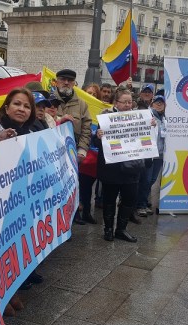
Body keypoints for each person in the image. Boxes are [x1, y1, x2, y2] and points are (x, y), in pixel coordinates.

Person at [95, 89, 145, 242]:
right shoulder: (105, 117)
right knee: (109, 199)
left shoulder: (139, 118)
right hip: (112, 168)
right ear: (116, 103)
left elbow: (146, 137)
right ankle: (108, 229)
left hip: (132, 167)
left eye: (130, 102)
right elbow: (97, 143)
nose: (128, 105)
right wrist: (98, 136)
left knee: (129, 199)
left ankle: (121, 229)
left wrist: (151, 126)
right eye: (124, 102)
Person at [53, 68, 92, 224]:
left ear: (75, 83)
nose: (66, 83)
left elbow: (86, 129)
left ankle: (73, 215)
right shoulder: (48, 100)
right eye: (63, 79)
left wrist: (82, 150)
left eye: (70, 80)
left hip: (73, 152)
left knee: (72, 186)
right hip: (52, 154)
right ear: (56, 81)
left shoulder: (82, 104)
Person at [136, 95, 167, 216]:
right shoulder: (147, 115)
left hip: (160, 155)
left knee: (152, 180)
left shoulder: (165, 118)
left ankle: (143, 202)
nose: (159, 104)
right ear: (152, 104)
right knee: (146, 180)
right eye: (156, 102)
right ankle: (140, 205)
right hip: (149, 154)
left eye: (161, 103)